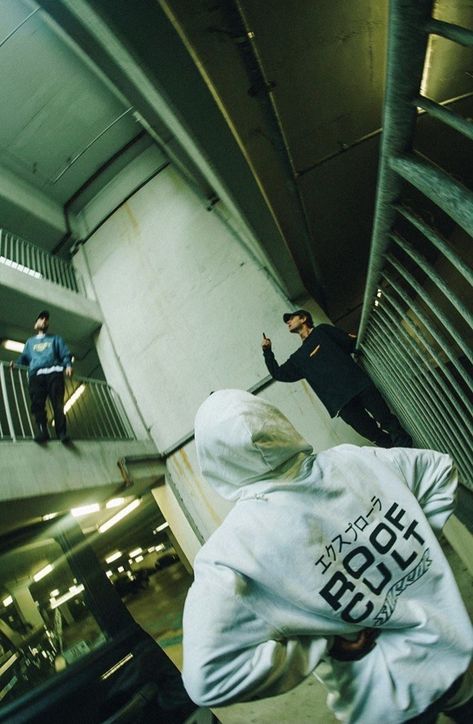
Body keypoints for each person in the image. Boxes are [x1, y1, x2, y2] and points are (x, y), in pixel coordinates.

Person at [182, 389, 473, 723]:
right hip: (448, 649)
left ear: (215, 460)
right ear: (276, 422)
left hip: (381, 698)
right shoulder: (355, 461)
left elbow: (208, 679)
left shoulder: (233, 551)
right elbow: (439, 470)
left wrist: (323, 641)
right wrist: (415, 545)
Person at [262, 309, 412, 448]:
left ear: (303, 318)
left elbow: (349, 342)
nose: (288, 322)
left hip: (359, 386)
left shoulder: (322, 331)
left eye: (291, 318)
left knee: (388, 421)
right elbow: (279, 373)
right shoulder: (298, 358)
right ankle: (402, 460)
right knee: (374, 436)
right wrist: (267, 351)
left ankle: (412, 453)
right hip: (341, 403)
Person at [12, 310, 73, 443]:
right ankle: (42, 431)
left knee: (58, 404)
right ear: (35, 324)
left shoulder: (55, 339)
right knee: (37, 404)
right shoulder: (30, 343)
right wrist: (16, 364)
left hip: (54, 373)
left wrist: (68, 365)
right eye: (41, 318)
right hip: (36, 375)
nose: (44, 320)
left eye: (46, 319)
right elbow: (24, 358)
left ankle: (61, 433)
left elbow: (65, 353)